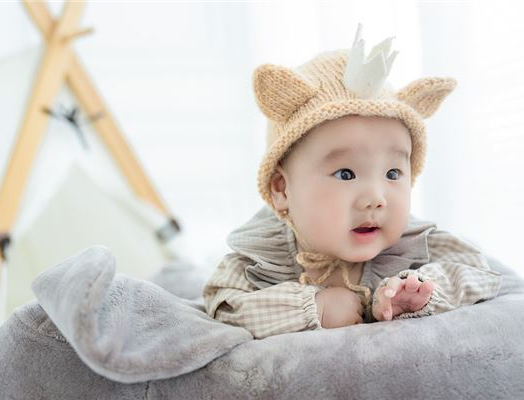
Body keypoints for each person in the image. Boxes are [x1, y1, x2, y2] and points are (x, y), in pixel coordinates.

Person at [203, 24, 502, 339]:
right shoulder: (264, 257)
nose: (376, 198)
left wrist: (420, 289)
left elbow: (477, 269)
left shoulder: (407, 243)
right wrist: (311, 308)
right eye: (345, 174)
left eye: (392, 174)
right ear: (282, 189)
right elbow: (223, 304)